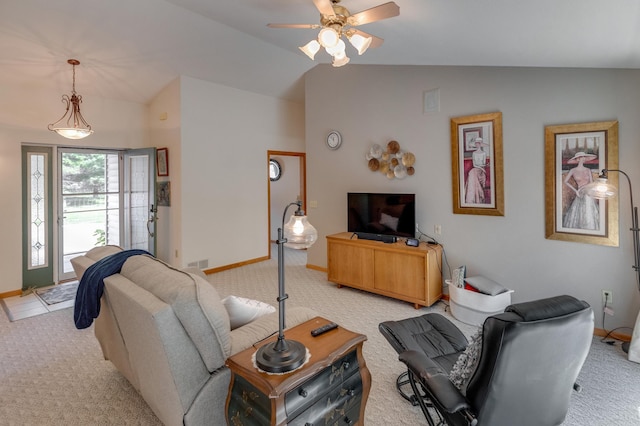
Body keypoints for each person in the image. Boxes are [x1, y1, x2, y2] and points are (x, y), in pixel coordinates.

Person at [562, 151, 599, 230]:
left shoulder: (588, 170)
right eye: (581, 157)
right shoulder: (573, 170)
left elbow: (591, 183)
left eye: (584, 157)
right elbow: (565, 181)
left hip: (588, 193)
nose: (583, 158)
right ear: (577, 159)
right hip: (579, 193)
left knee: (588, 210)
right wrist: (576, 191)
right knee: (578, 211)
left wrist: (585, 188)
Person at [464, 138, 489, 204]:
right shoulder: (474, 153)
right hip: (475, 169)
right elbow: (474, 164)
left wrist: (481, 165)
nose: (477, 145)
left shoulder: (484, 153)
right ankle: (471, 199)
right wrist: (479, 165)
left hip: (481, 170)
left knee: (473, 172)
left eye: (478, 143)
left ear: (480, 144)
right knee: (471, 172)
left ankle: (478, 198)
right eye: (476, 143)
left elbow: (483, 164)